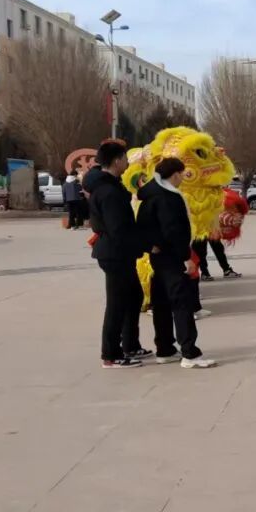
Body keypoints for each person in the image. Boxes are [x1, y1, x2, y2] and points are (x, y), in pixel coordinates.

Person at [137, 157, 217, 368]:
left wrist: (150, 245)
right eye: (182, 174)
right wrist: (185, 257)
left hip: (159, 257)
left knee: (161, 303)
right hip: (173, 257)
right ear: (175, 175)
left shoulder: (150, 194)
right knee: (182, 304)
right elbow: (173, 230)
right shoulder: (168, 197)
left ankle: (165, 349)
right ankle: (190, 353)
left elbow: (141, 225)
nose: (183, 178)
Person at [85, 141, 151, 368]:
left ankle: (130, 344)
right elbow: (119, 229)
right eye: (125, 158)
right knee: (117, 304)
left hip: (119, 251)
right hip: (115, 253)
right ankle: (111, 354)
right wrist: (144, 244)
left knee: (134, 297)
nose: (127, 162)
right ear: (116, 161)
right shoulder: (109, 191)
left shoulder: (110, 186)